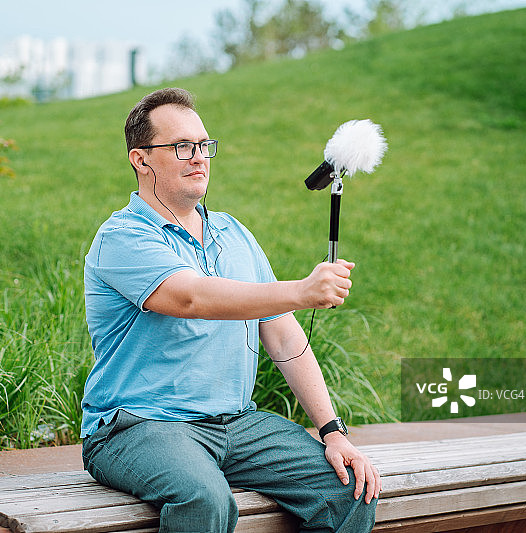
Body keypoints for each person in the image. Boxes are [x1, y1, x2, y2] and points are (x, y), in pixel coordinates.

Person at [81, 87, 380, 533]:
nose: (198, 157)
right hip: (139, 427)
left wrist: (333, 431)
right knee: (204, 499)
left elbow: (282, 335)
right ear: (141, 159)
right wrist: (299, 290)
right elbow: (191, 298)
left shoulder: (233, 233)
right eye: (182, 146)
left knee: (349, 489)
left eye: (204, 146)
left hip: (236, 425)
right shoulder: (123, 237)